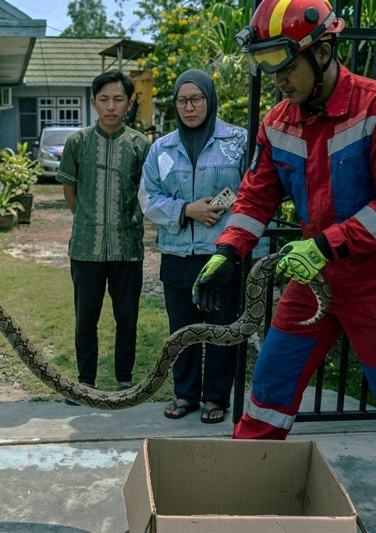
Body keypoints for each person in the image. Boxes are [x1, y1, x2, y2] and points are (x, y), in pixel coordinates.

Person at [191, 1, 376, 531]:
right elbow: (257, 195)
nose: (277, 79)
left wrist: (326, 246)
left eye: (284, 65)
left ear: (323, 51)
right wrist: (229, 249)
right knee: (269, 391)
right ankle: (234, 501)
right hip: (314, 279)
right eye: (265, 66)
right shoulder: (277, 122)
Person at [139, 69, 247, 423]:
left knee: (221, 329)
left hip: (222, 254)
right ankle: (185, 394)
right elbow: (147, 198)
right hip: (178, 255)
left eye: (196, 99)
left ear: (210, 99)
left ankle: (216, 398)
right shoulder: (161, 148)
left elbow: (254, 193)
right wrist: (187, 210)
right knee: (182, 329)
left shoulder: (238, 142)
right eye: (182, 101)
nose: (189, 107)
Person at [55, 70, 151, 404]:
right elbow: (70, 189)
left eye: (119, 99)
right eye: (105, 99)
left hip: (127, 247)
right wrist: (87, 218)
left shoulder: (141, 145)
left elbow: (146, 192)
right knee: (86, 319)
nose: (111, 107)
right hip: (85, 248)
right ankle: (85, 382)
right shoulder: (78, 142)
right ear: (93, 102)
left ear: (129, 103)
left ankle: (124, 380)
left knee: (127, 317)